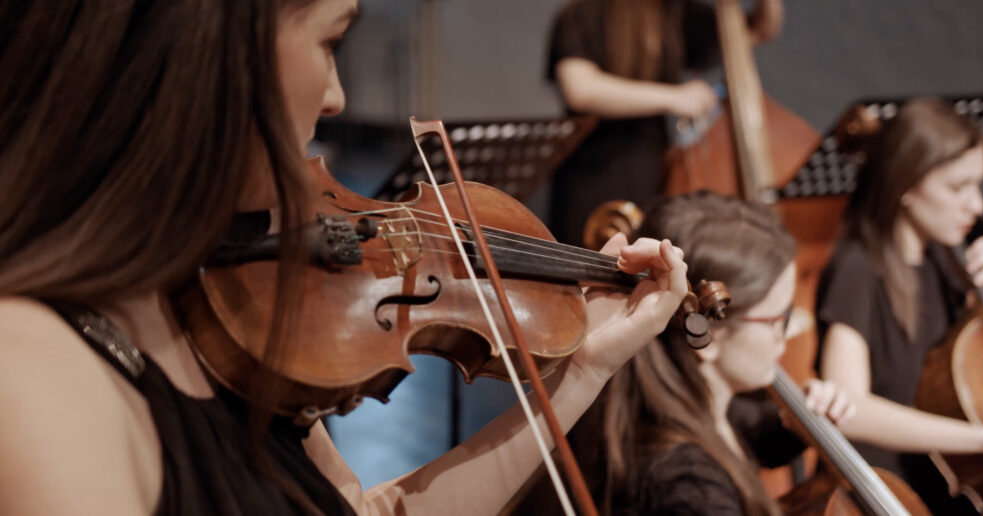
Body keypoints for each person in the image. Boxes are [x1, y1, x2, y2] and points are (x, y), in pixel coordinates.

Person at [0, 1, 692, 515]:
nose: (337, 98)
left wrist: (584, 370)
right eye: (331, 42)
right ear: (206, 53)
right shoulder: (37, 378)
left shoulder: (234, 308)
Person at [573, 192, 855, 516]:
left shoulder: (693, 402)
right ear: (708, 336)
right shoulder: (688, 491)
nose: (787, 334)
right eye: (779, 320)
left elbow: (747, 430)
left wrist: (796, 424)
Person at [816, 97, 983, 514]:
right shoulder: (858, 268)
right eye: (957, 187)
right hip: (895, 497)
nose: (978, 206)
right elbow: (848, 406)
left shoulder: (943, 262)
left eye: (977, 185)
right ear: (906, 186)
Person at [544, 0, 784, 246]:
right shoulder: (582, 13)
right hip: (594, 171)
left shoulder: (676, 13)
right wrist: (674, 96)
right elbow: (580, 89)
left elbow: (756, 30)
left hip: (652, 169)